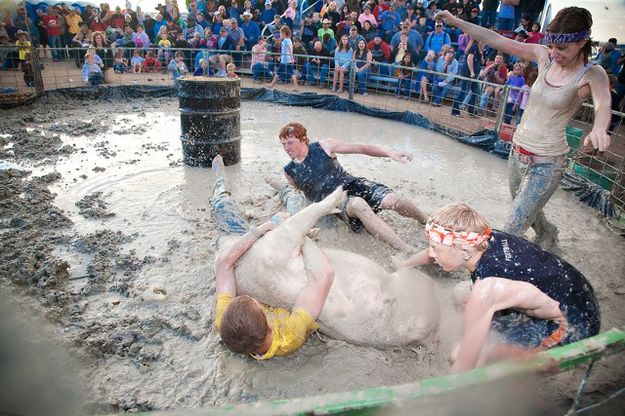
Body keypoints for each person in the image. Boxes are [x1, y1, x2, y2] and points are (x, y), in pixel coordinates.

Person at [214, 158, 438, 353]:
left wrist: (261, 230)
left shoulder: (225, 321)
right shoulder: (292, 332)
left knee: (224, 210)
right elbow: (323, 275)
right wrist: (297, 233)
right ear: (270, 323)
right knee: (294, 207)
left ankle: (220, 183)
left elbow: (224, 263)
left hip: (243, 243)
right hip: (265, 249)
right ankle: (282, 188)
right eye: (253, 302)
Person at [436, 8, 611, 249]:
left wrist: (600, 128)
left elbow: (603, 103)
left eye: (562, 49)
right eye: (551, 46)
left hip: (548, 162)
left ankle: (486, 270)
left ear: (582, 42)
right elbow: (497, 39)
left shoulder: (592, 73)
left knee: (512, 226)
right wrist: (456, 21)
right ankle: (547, 232)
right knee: (526, 211)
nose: (554, 53)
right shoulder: (544, 57)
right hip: (517, 151)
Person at [396, 203, 600, 373]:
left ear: (465, 251)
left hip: (574, 324)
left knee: (469, 353)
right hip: (571, 293)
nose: (431, 254)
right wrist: (405, 266)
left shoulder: (487, 288)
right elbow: (434, 250)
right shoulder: (483, 238)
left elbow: (463, 367)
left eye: (436, 249)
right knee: (462, 295)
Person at [278, 122, 427, 252]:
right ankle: (406, 249)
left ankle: (427, 221)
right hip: (338, 202)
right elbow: (305, 195)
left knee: (393, 200)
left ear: (303, 139)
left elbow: (359, 148)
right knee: (358, 205)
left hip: (355, 184)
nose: (286, 148)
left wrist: (390, 153)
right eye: (283, 144)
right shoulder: (289, 171)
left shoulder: (324, 146)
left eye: (290, 143)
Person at [268, 26, 298, 90]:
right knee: (287, 73)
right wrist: (281, 57)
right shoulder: (289, 40)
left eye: (281, 33)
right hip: (285, 59)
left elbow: (289, 50)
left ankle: (272, 84)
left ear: (284, 33)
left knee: (289, 73)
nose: (280, 35)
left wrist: (291, 58)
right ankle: (272, 84)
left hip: (286, 60)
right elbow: (287, 51)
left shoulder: (285, 41)